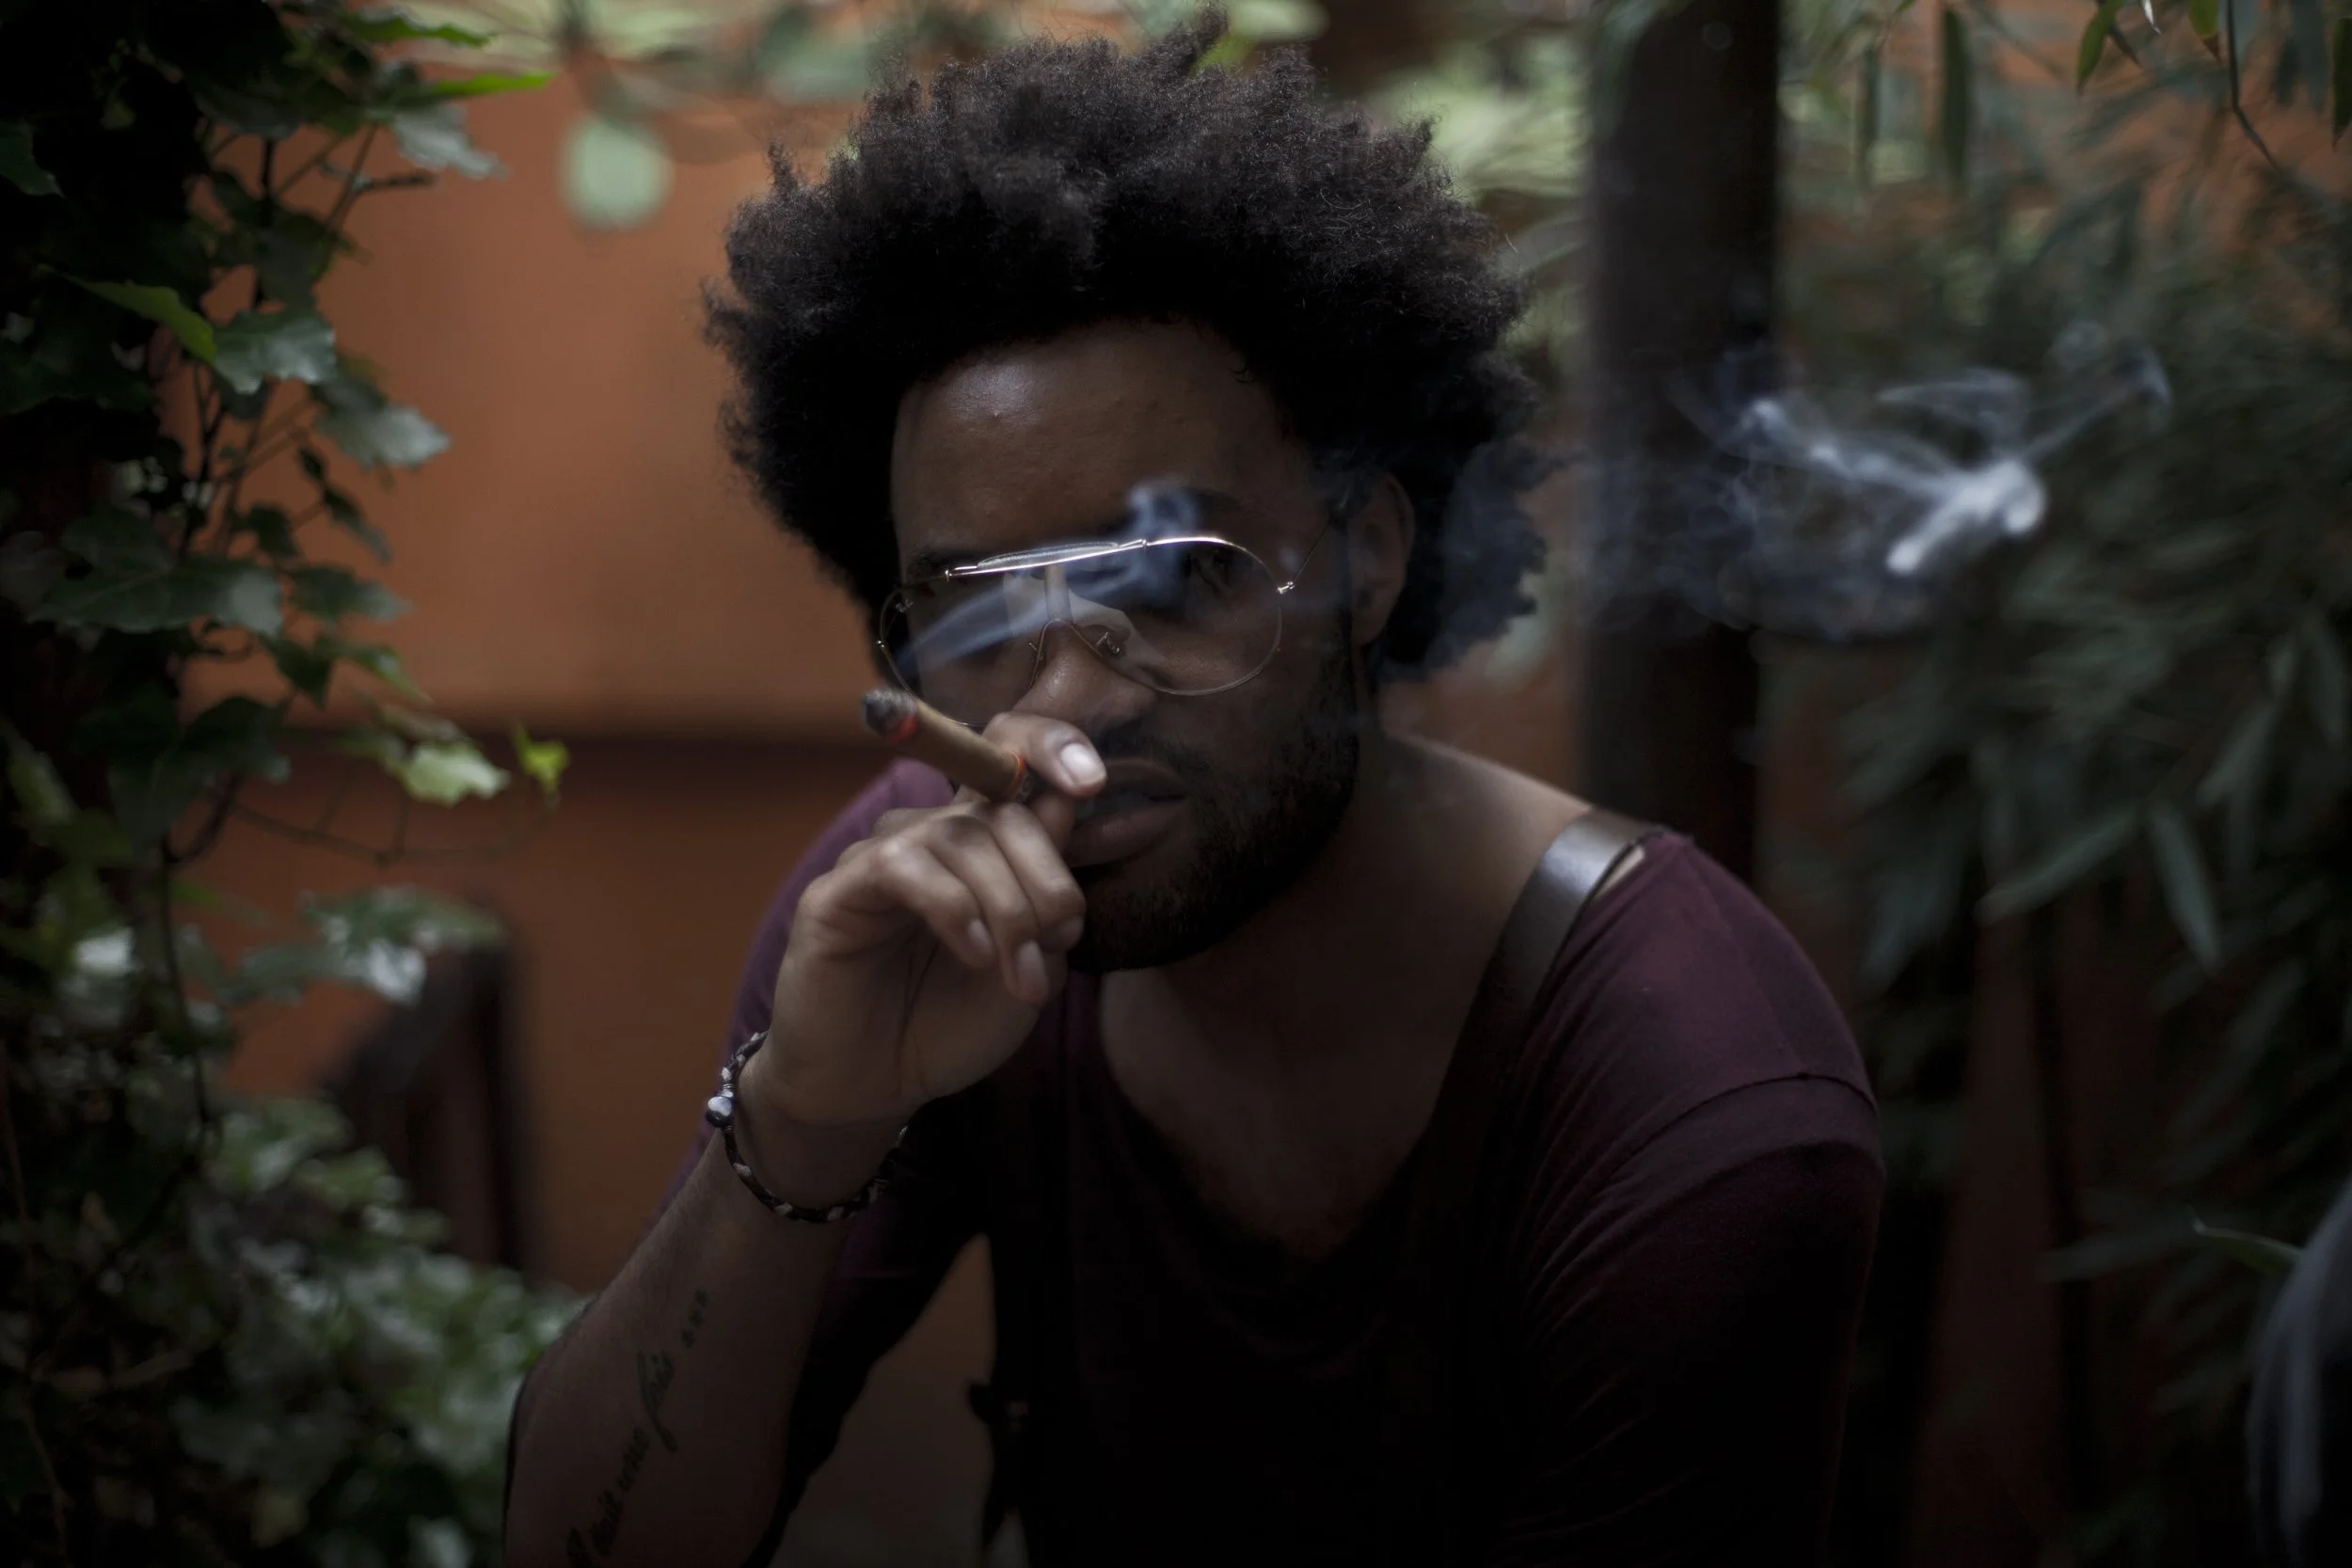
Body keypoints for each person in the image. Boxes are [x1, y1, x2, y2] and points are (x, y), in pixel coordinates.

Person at [502, 18, 1882, 1567]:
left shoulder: (1692, 1099)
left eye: (1169, 580)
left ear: (1366, 557)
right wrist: (799, 1129)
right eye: (976, 612)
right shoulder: (919, 924)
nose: (1062, 705)